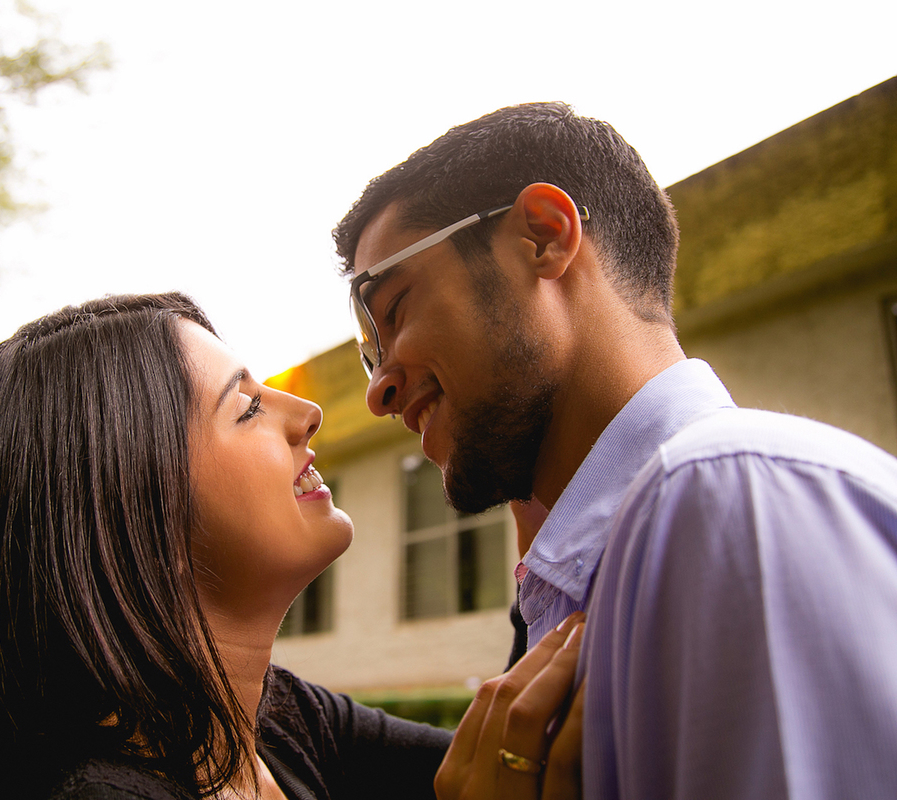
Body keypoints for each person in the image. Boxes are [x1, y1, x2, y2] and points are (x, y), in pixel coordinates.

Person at [333, 102, 897, 798]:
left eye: (393, 311)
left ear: (544, 236)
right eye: (368, 356)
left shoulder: (726, 503)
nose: (378, 392)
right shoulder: (608, 564)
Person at [0, 293, 583, 800]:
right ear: (133, 500)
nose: (309, 413)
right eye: (248, 406)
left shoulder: (277, 723)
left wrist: (542, 542)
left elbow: (514, 754)